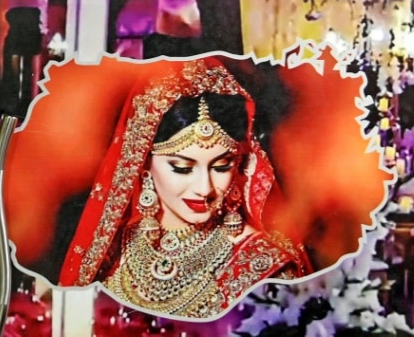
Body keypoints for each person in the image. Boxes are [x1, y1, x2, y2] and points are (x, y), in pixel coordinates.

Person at [56, 59, 308, 318]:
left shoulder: (265, 266)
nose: (204, 188)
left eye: (221, 166)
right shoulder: (111, 247)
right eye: (182, 168)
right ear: (143, 163)